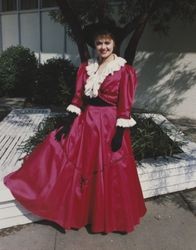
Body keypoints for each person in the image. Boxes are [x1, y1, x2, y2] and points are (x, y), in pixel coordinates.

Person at [3, 22, 147, 234]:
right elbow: (78, 98)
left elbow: (125, 105)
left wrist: (119, 133)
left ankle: (105, 218)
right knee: (56, 145)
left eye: (107, 42)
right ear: (95, 45)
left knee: (108, 172)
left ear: (114, 44)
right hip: (86, 122)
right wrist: (69, 122)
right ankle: (72, 210)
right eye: (99, 43)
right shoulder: (86, 68)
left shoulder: (124, 71)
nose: (103, 47)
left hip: (107, 126)